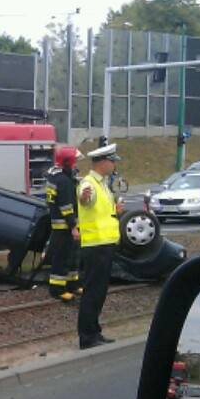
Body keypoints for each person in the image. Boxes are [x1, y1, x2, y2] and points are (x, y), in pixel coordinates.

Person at [77, 143, 125, 350]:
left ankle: (94, 331)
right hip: (96, 245)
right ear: (103, 162)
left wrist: (116, 210)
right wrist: (83, 198)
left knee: (99, 293)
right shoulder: (89, 184)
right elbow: (85, 199)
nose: (115, 165)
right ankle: (87, 336)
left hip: (104, 244)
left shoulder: (104, 184)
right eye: (112, 161)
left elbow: (101, 212)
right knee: (92, 293)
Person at [46, 145, 82, 302]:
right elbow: (66, 207)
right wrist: (73, 226)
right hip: (64, 227)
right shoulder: (64, 181)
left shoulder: (58, 177)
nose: (76, 165)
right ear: (68, 162)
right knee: (62, 258)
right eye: (75, 161)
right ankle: (57, 289)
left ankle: (72, 284)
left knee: (72, 256)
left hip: (64, 226)